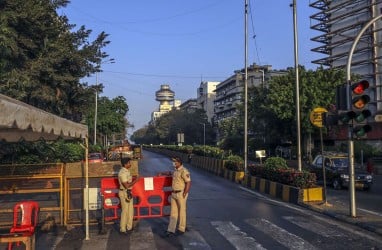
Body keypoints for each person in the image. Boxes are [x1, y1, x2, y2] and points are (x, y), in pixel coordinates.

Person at [165, 157, 191, 237]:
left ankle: (181, 228)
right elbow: (170, 173)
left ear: (179, 162)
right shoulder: (176, 171)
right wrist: (163, 173)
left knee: (182, 211)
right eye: (173, 161)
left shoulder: (184, 171)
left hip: (181, 193)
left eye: (175, 162)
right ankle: (171, 229)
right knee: (173, 212)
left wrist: (185, 193)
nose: (173, 163)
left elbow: (188, 182)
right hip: (173, 193)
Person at [118, 157, 139, 234]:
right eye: (129, 163)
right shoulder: (122, 173)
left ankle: (129, 227)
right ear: (125, 164)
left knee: (130, 210)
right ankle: (122, 229)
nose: (130, 164)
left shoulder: (126, 171)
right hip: (124, 192)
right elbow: (126, 185)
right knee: (125, 211)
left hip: (128, 192)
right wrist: (136, 180)